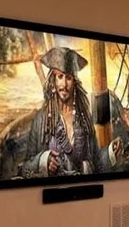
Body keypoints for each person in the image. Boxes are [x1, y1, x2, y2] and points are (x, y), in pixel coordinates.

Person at [20, 47, 120, 177]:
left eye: (68, 78)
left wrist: (110, 152)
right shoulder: (41, 120)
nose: (64, 84)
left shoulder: (84, 119)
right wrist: (44, 160)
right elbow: (26, 168)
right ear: (53, 81)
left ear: (74, 82)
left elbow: (96, 162)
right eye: (60, 77)